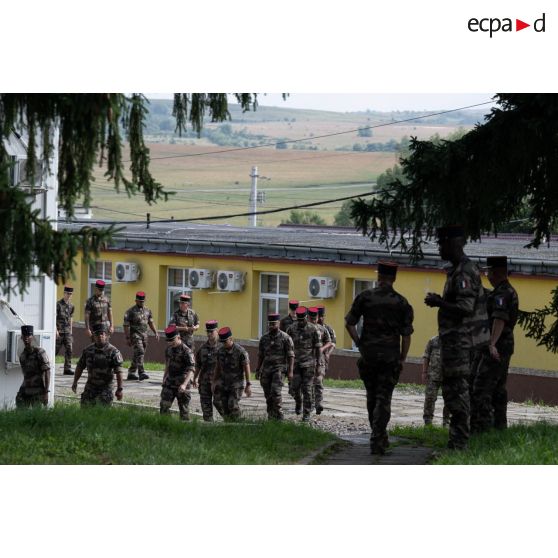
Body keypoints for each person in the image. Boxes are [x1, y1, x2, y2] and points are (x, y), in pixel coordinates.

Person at [424, 225, 490, 450]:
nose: (440, 248)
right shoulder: (457, 270)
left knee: (458, 392)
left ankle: (459, 444)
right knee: (453, 391)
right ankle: (456, 441)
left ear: (454, 244)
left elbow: (465, 307)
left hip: (460, 343)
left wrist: (438, 302)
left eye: (442, 243)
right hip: (453, 342)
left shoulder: (464, 271)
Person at [345, 261, 414, 455]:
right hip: (390, 357)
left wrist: (359, 343)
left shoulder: (365, 297)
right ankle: (378, 437)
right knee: (384, 398)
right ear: (394, 278)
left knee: (372, 396)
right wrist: (402, 357)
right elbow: (406, 335)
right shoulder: (401, 302)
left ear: (379, 277)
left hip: (369, 356)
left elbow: (349, 323)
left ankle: (378, 435)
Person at [471, 256, 519, 432]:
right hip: (502, 346)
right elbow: (487, 296)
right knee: (498, 388)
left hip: (497, 347)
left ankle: (481, 429)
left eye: (488, 271)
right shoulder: (502, 291)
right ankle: (499, 427)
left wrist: (492, 343)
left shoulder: (503, 293)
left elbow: (499, 319)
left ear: (496, 272)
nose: (487, 274)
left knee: (481, 387)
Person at [72, 323, 124, 407]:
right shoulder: (88, 351)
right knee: (84, 412)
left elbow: (119, 372)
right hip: (90, 387)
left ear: (107, 335)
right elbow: (80, 367)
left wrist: (119, 389)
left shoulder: (113, 352)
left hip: (106, 389)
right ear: (93, 336)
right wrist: (75, 382)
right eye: (97, 334)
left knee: (103, 413)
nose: (100, 336)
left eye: (102, 334)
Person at [255, 313, 295, 420]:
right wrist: (258, 369)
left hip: (279, 369)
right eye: (270, 324)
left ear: (278, 323)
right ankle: (271, 415)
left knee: (275, 392)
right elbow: (260, 355)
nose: (272, 326)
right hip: (266, 370)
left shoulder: (286, 338)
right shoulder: (264, 338)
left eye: (274, 324)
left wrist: (290, 372)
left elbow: (291, 356)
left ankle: (279, 415)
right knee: (268, 394)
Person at [286, 306, 322, 421]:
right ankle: (298, 402)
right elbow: (286, 347)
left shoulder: (313, 329)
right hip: (295, 365)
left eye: (303, 319)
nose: (301, 322)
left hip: (309, 365)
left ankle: (306, 414)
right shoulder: (291, 329)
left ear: (306, 317)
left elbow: (318, 348)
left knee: (307, 389)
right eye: (299, 319)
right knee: (295, 388)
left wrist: (318, 365)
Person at [213, 327, 252, 420]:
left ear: (231, 339)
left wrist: (248, 384)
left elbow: (246, 367)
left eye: (225, 341)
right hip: (224, 382)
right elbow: (217, 367)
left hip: (236, 383)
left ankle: (238, 424)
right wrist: (214, 382)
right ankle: (228, 422)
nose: (223, 344)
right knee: (218, 402)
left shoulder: (240, 351)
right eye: (221, 342)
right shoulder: (220, 351)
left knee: (232, 404)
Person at [160, 325, 195, 420]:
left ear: (178, 337)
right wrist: (164, 378)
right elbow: (167, 364)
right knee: (164, 406)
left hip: (182, 383)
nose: (170, 342)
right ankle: (166, 425)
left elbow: (191, 369)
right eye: (168, 340)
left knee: (184, 411)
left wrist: (184, 384)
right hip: (170, 381)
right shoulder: (168, 349)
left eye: (172, 340)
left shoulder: (187, 351)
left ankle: (184, 430)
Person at [123, 291, 159, 381]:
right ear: (136, 301)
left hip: (144, 336)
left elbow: (150, 322)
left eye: (143, 301)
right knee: (140, 351)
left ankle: (131, 372)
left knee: (138, 354)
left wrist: (156, 332)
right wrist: (127, 338)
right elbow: (126, 325)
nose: (141, 303)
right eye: (139, 301)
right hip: (135, 335)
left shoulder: (148, 310)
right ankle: (141, 372)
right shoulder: (130, 311)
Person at [193, 320, 224, 421]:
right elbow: (198, 365)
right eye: (208, 332)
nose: (209, 334)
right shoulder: (202, 348)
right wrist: (194, 378)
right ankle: (209, 427)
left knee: (220, 404)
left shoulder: (222, 347)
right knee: (206, 409)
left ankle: (231, 422)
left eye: (212, 331)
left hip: (219, 383)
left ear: (217, 331)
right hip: (205, 382)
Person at [16, 325, 51, 408]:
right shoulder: (23, 355)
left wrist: (46, 392)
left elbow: (47, 372)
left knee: (37, 416)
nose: (26, 338)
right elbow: (25, 375)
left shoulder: (39, 352)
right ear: (22, 337)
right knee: (20, 413)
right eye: (24, 336)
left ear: (32, 337)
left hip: (38, 391)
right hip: (26, 390)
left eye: (28, 335)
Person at [308, 306, 332, 415]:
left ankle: (319, 404)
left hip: (319, 359)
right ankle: (310, 403)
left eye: (315, 318)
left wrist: (322, 348)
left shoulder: (323, 329)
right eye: (312, 319)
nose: (314, 321)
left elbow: (329, 342)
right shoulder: (304, 329)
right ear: (308, 318)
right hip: (306, 360)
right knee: (308, 383)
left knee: (318, 381)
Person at [422, 335, 450, 426]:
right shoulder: (433, 341)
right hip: (433, 376)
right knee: (430, 398)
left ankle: (446, 421)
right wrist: (424, 372)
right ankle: (428, 421)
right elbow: (426, 356)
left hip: (448, 376)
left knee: (449, 400)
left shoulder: (453, 341)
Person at [56, 285, 75, 375]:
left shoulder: (71, 306)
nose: (69, 295)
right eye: (67, 293)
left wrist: (71, 330)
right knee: (55, 350)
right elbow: (54, 318)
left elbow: (71, 318)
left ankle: (67, 368)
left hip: (67, 331)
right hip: (59, 331)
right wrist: (55, 330)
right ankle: (49, 366)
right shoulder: (58, 304)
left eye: (71, 294)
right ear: (64, 293)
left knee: (69, 349)